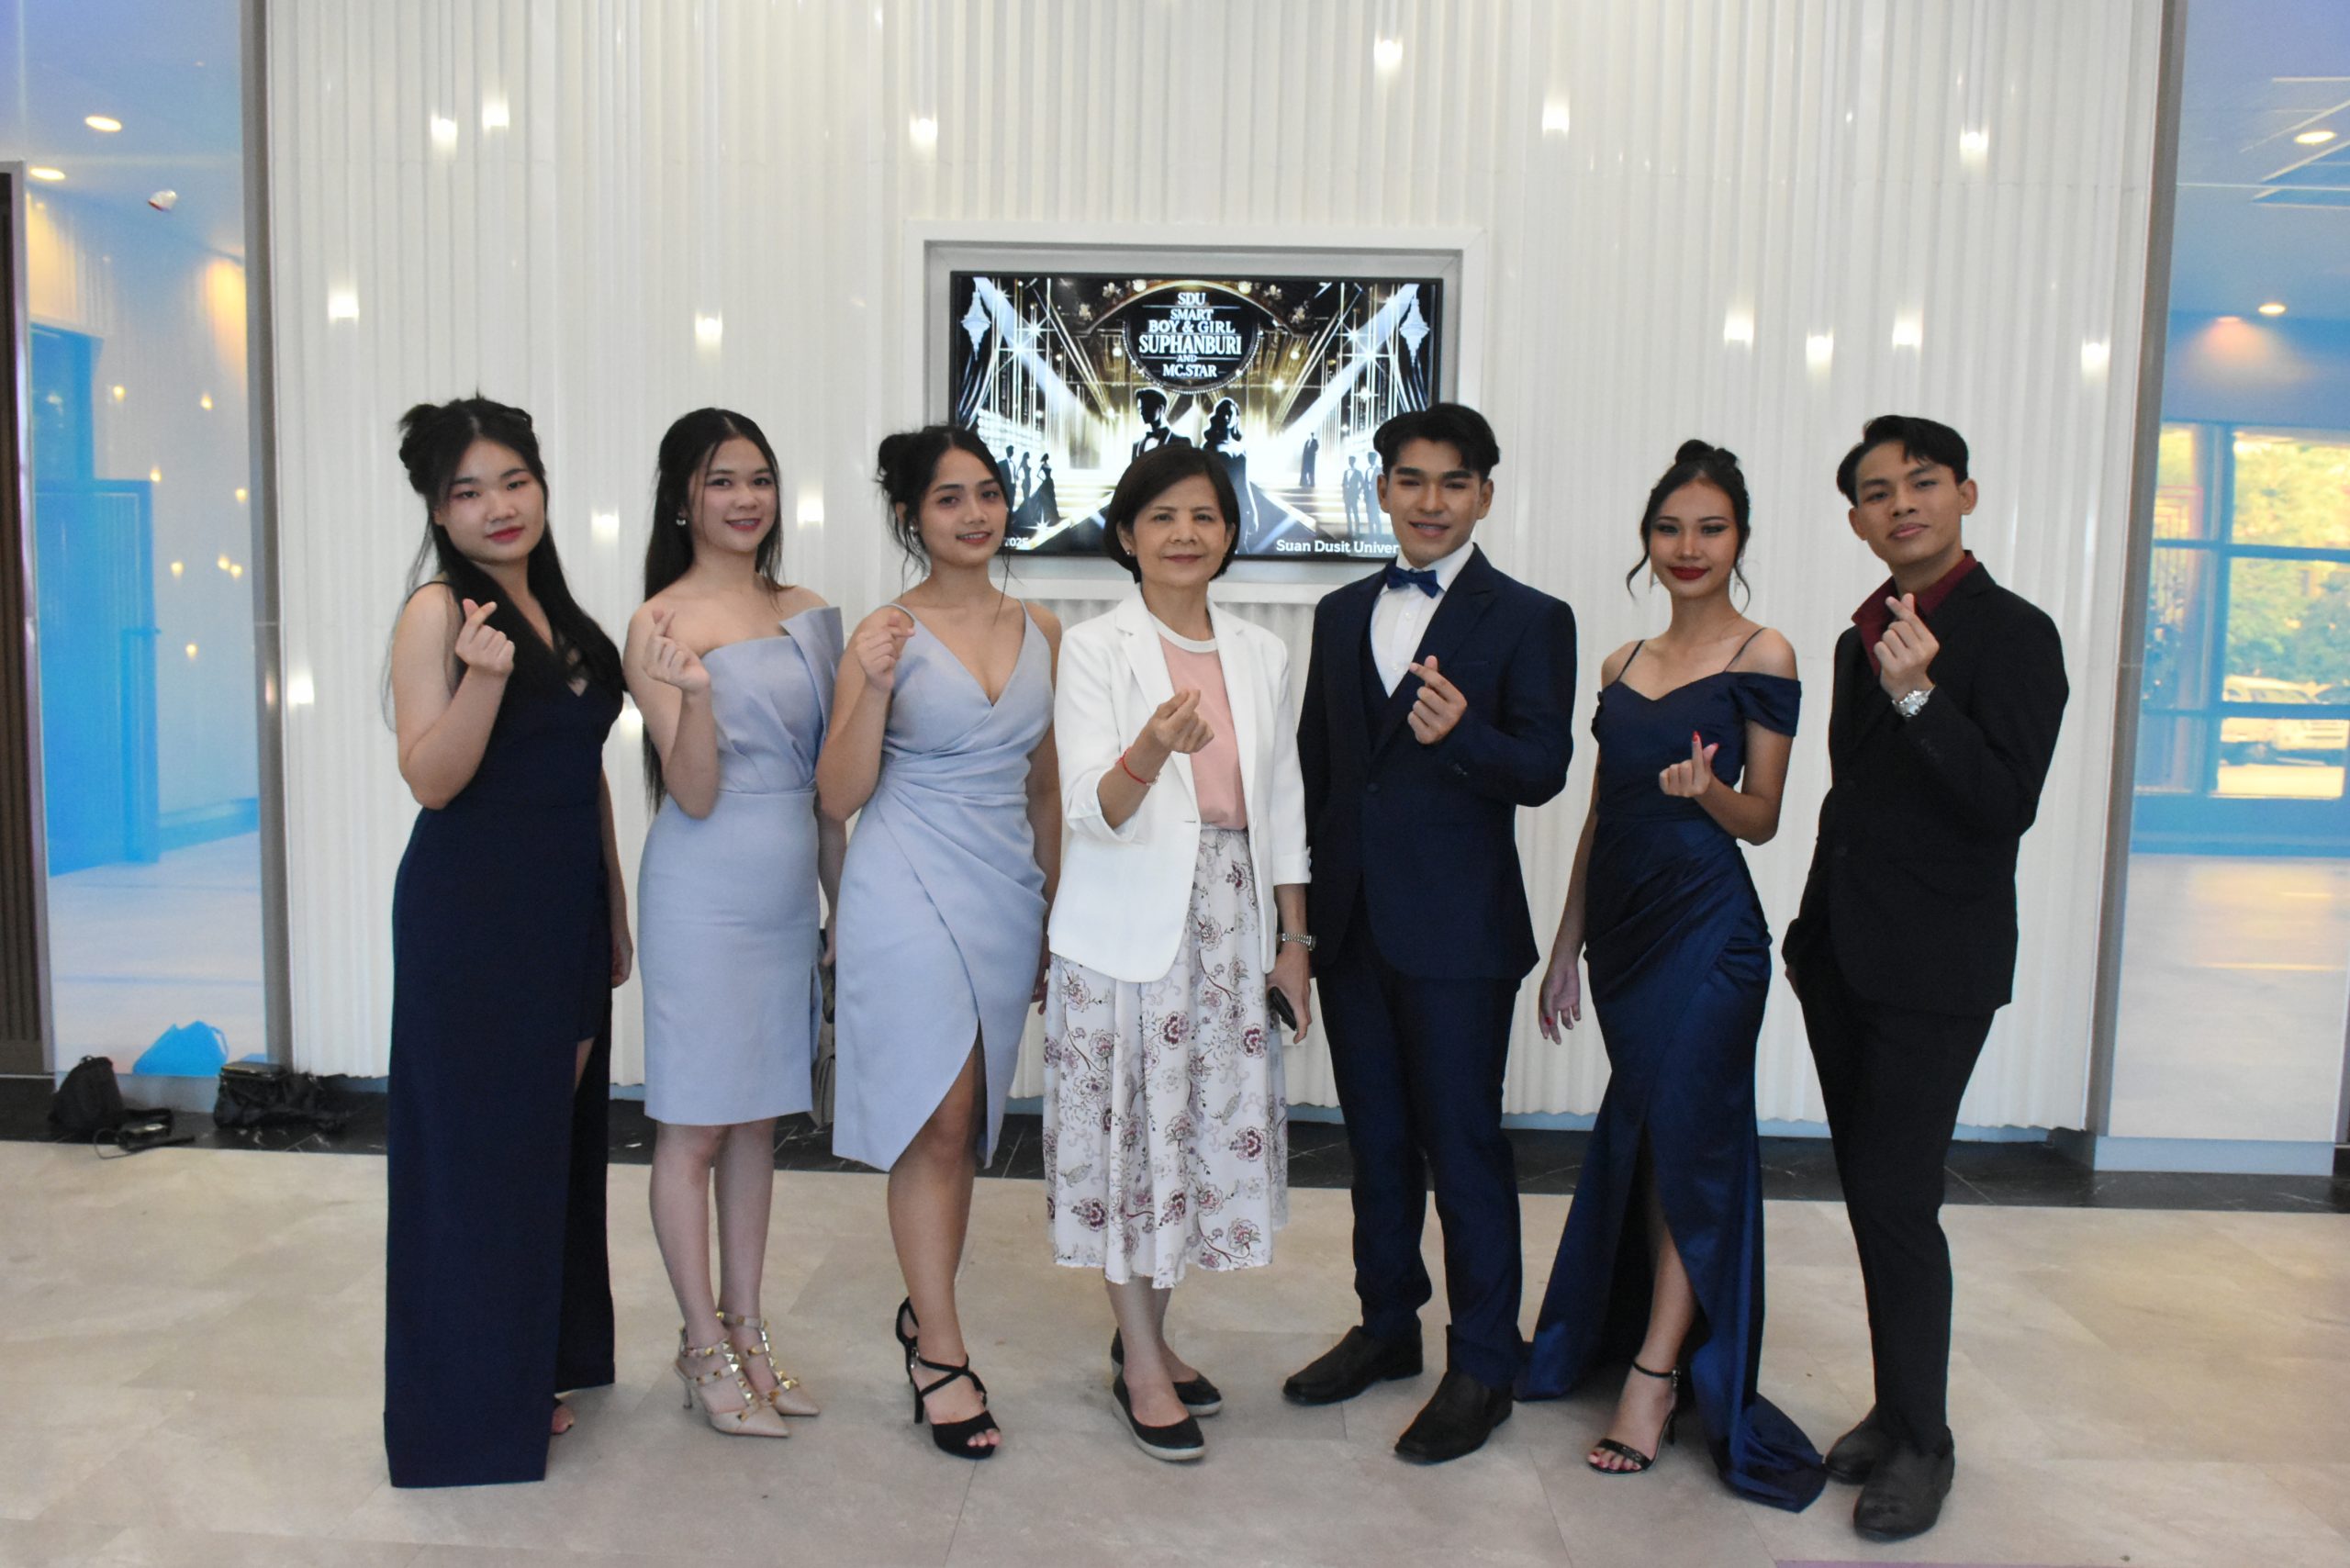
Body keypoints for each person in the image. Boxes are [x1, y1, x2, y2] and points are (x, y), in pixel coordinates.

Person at [1522, 441, 1823, 1510]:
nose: (1688, 547)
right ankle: (1658, 1335)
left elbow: (1764, 817)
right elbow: (1600, 814)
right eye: (1669, 528)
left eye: (1710, 528)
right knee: (1656, 1142)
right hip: (1624, 938)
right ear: (1646, 540)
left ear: (1739, 539)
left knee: (1693, 1145)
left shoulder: (1764, 651)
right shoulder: (1618, 664)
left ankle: (1654, 1376)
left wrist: (1707, 791)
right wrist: (1566, 943)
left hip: (1710, 936)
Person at [1782, 415, 2067, 1541]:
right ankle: (1895, 1405)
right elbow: (1854, 802)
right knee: (1872, 1195)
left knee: (1899, 1200)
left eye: (1922, 482)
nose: (1900, 503)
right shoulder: (1860, 637)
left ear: (1965, 495)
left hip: (1936, 970)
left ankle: (1925, 1443)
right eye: (1875, 491)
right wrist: (1809, 938)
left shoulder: (2014, 634)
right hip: (1843, 958)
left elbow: (2005, 805)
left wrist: (1919, 698)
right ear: (1856, 520)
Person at [1287, 402, 1577, 1463]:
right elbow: (1319, 771)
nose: (1430, 501)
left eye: (1454, 482)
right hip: (1353, 925)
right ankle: (1386, 1324)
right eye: (1410, 480)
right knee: (1373, 1143)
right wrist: (1299, 923)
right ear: (1381, 490)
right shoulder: (1338, 614)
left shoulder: (1531, 617)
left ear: (1484, 494)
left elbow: (1543, 770)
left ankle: (1484, 1362)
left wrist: (1464, 735)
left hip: (1458, 932)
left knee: (1461, 1148)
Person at [1042, 444, 1312, 1462]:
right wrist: (1153, 747)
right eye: (1160, 517)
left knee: (1193, 1133)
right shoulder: (1094, 647)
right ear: (1125, 535)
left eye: (1203, 515)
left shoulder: (1261, 651)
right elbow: (1090, 809)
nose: (1184, 534)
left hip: (1233, 919)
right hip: (1127, 926)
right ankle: (1144, 1363)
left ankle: (1147, 1337)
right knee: (1132, 1138)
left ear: (1230, 533)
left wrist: (1294, 941)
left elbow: (1282, 801)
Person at [383, 397, 628, 1486]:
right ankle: (471, 1406)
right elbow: (431, 779)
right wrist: (483, 679)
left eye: (513, 481)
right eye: (468, 491)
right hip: (473, 917)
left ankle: (530, 1364)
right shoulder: (436, 611)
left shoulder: (560, 610)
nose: (498, 506)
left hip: (562, 902)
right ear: (438, 511)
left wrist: (611, 902)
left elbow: (585, 774)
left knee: (544, 1147)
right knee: (482, 1157)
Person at [818, 426, 1062, 1461]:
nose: (975, 514)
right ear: (910, 517)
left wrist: (1051, 911)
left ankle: (927, 1318)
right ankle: (943, 1353)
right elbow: (838, 795)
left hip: (1005, 893)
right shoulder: (886, 630)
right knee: (938, 1113)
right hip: (905, 881)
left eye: (988, 493)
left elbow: (1045, 788)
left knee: (967, 1128)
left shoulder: (1043, 625)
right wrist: (873, 685)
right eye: (949, 498)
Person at [627, 409, 841, 1440]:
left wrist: (842, 902)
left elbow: (836, 782)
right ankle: (701, 1343)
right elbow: (695, 792)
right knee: (695, 1121)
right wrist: (699, 698)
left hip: (786, 886)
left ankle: (750, 1331)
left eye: (759, 477)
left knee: (758, 1116)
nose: (746, 498)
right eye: (721, 480)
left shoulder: (810, 608)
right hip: (702, 888)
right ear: (683, 498)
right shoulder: (659, 622)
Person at [1131, 387, 1190, 461]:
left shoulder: (1182, 443)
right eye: (1140, 409)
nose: (1142, 413)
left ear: (1161, 409)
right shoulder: (1137, 445)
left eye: (1146, 408)